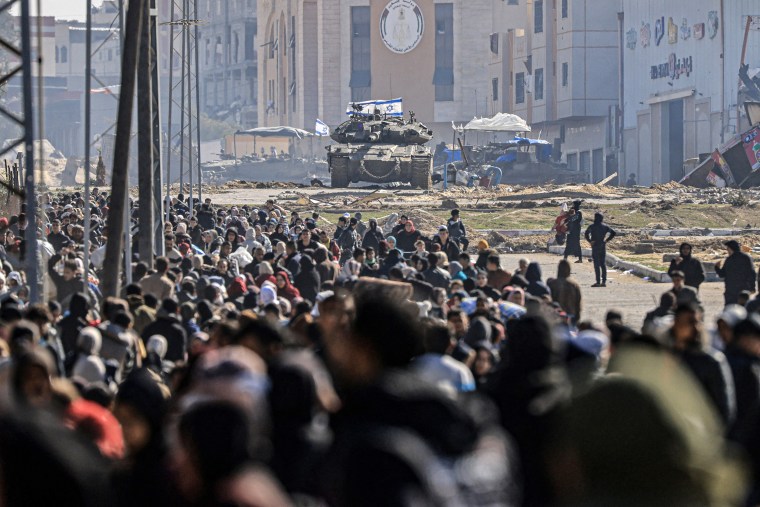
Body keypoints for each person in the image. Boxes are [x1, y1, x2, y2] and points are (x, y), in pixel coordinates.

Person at [715, 240, 757, 306]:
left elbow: (722, 274)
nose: (727, 251)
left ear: (731, 248)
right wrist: (752, 288)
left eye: (728, 249)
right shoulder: (746, 258)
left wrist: (717, 268)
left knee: (730, 311)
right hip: (744, 292)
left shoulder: (729, 260)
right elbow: (752, 274)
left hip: (731, 292)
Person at [584, 212, 616, 287]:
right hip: (602, 245)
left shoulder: (592, 226)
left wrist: (589, 241)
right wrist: (606, 240)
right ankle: (604, 282)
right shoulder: (605, 226)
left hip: (595, 245)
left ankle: (598, 282)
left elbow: (586, 234)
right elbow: (613, 233)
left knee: (596, 265)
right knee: (603, 264)